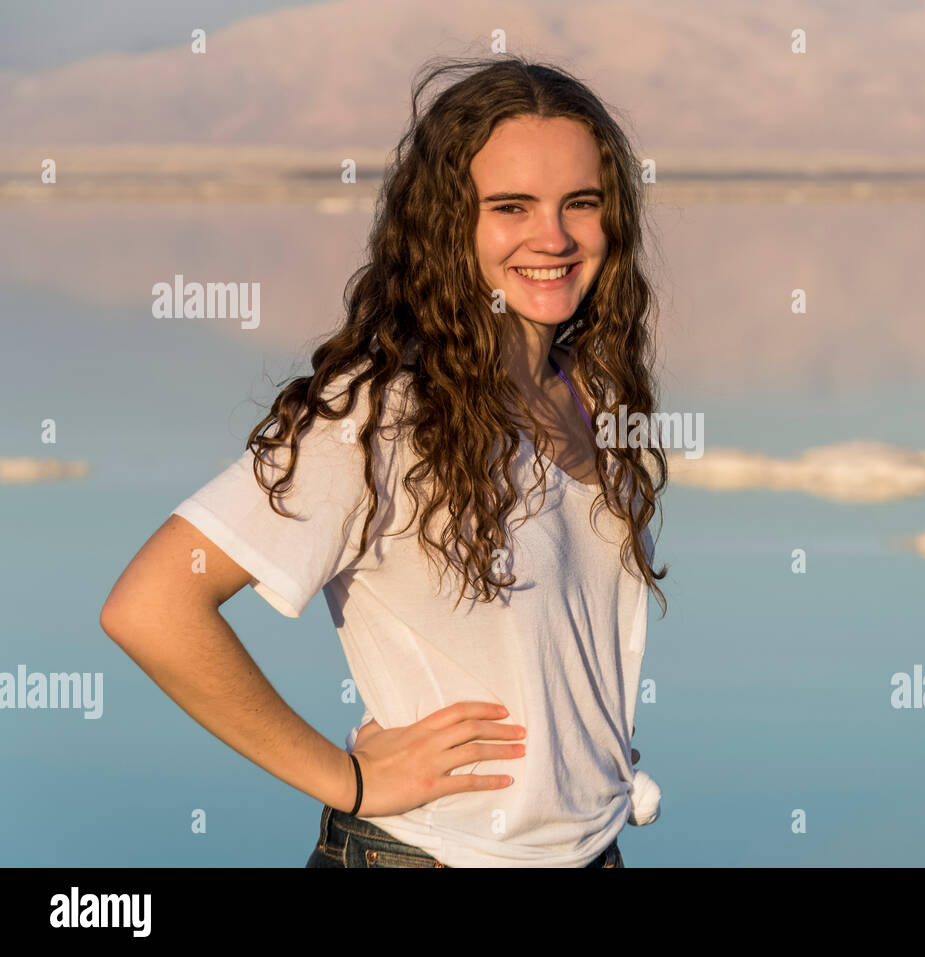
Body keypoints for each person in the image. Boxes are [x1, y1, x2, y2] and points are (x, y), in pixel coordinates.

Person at [99, 55, 667, 868]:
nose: (555, 237)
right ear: (447, 225)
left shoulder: (590, 392)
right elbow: (151, 606)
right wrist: (346, 779)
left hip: (593, 850)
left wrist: (578, 753)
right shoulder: (378, 413)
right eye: (511, 207)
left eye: (581, 203)